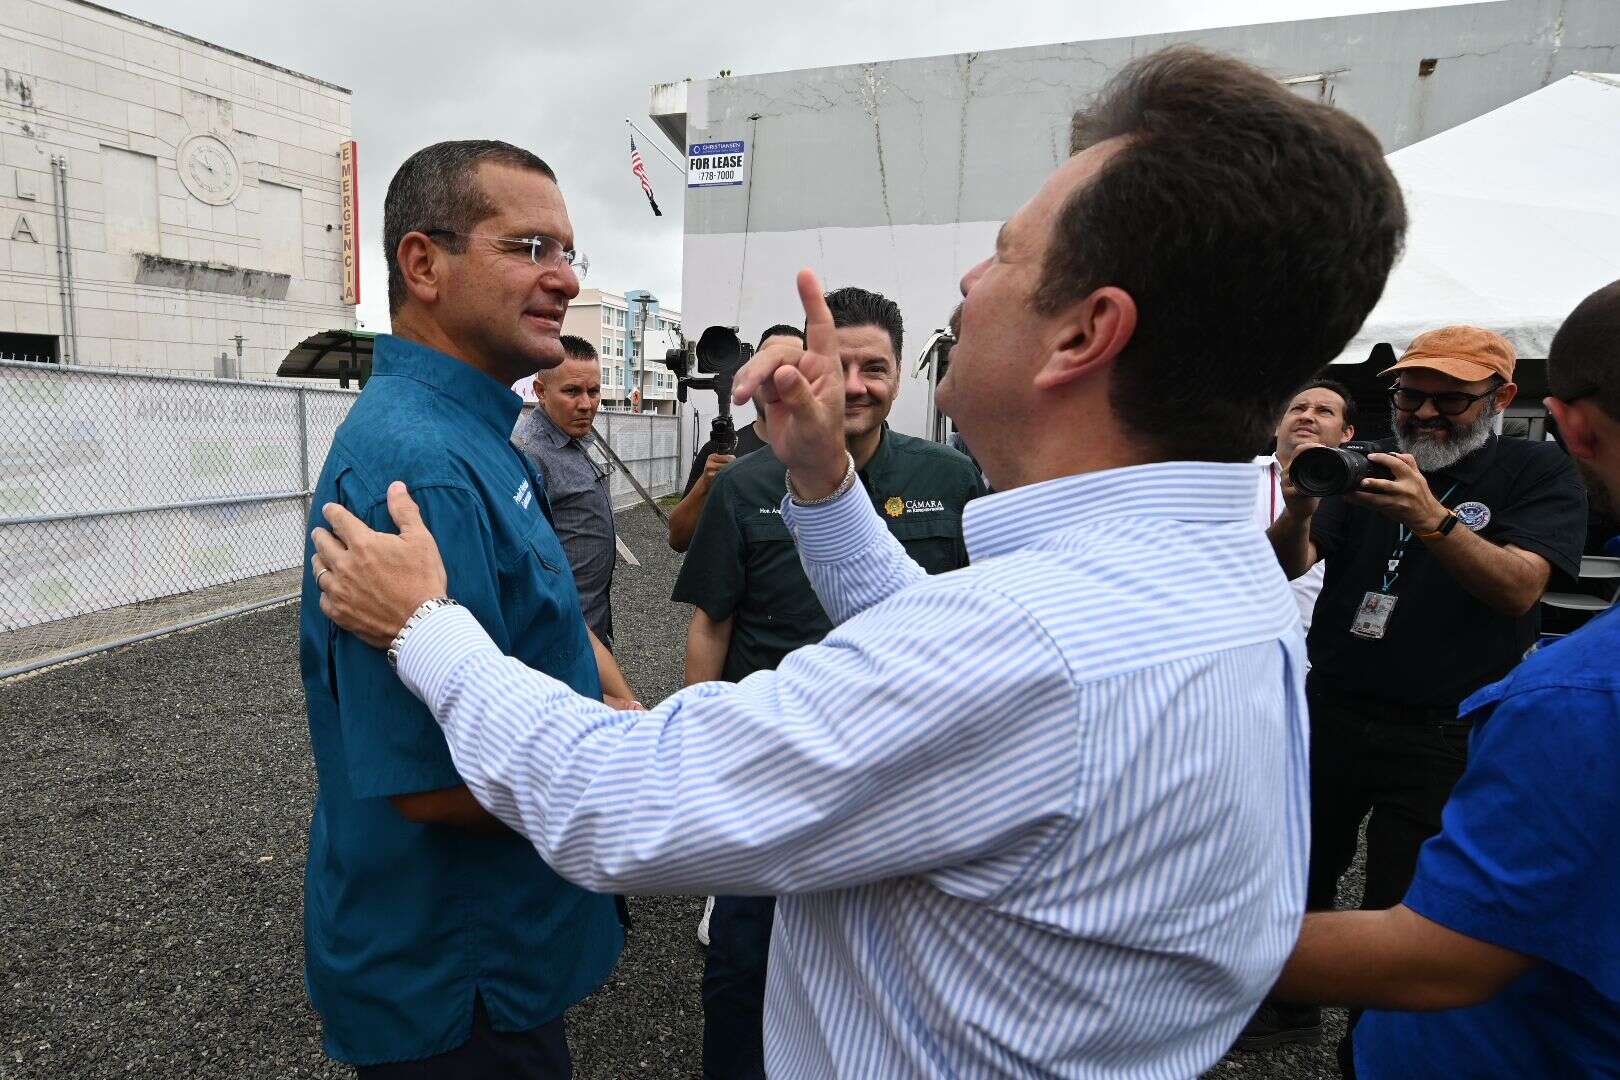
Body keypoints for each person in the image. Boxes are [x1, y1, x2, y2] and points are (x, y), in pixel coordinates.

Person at [308, 47, 1407, 1078]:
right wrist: (826, 483)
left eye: (1007, 254)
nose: (970, 278)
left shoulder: (1025, 643)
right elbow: (937, 644)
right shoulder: (1224, 581)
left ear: (1084, 335)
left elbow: (622, 799)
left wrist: (425, 628)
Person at [297, 140, 627, 1078]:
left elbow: (542, 621)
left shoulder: (475, 431)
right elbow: (436, 782)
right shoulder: (422, 468)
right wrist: (625, 769)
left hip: (493, 951)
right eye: (529, 248)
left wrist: (611, 702)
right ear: (423, 264)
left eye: (568, 252)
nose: (564, 278)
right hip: (463, 975)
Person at [1268, 279, 1620, 1078]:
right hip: (1335, 707)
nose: (1424, 414)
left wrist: (1432, 521)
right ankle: (1288, 1009)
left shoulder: (1535, 471)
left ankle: (1370, 1047)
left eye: (1449, 400)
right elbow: (1289, 566)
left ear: (1501, 399)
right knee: (1299, 866)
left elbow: (1520, 589)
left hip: (1440, 727)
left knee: (1403, 899)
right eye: (1411, 397)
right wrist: (1299, 511)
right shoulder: (1371, 464)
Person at [673, 285, 983, 1079]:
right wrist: (698, 764)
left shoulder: (952, 479)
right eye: (837, 364)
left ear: (900, 377)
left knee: (895, 984)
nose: (854, 386)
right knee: (743, 975)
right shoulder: (746, 484)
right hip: (769, 779)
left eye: (874, 368)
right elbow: (711, 624)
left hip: (903, 789)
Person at [510, 334, 620, 647]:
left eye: (593, 391)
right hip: (561, 632)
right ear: (540, 391)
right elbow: (518, 563)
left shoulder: (577, 438)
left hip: (593, 617)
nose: (586, 404)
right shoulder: (528, 455)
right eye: (572, 391)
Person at [667, 324, 805, 553]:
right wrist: (705, 486)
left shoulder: (829, 459)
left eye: (792, 367)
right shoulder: (718, 453)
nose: (778, 378)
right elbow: (678, 539)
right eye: (769, 365)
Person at [1252, 379, 1358, 632]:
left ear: (1346, 434)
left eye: (1324, 411)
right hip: (1229, 637)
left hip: (1311, 643)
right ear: (1277, 425)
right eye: (1298, 408)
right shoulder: (1235, 474)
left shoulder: (1357, 492)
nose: (1307, 416)